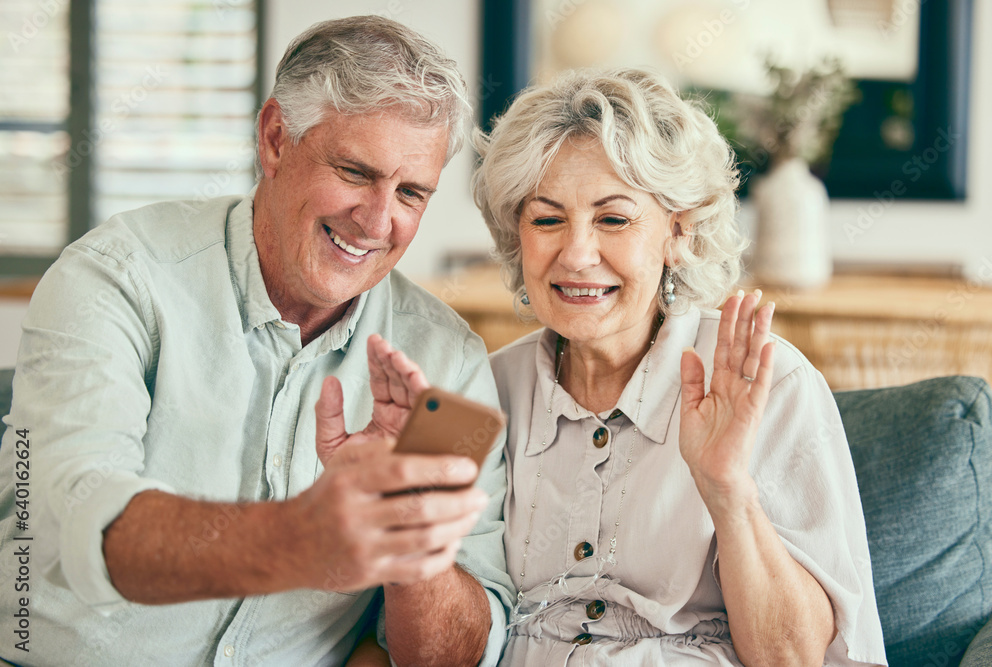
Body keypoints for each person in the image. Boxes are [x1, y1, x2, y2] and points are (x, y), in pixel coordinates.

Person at [0, 16, 513, 666]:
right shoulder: (116, 276)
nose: (380, 221)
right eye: (356, 172)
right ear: (275, 138)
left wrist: (410, 533)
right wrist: (306, 536)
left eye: (411, 192)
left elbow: (461, 654)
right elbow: (72, 523)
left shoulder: (451, 364)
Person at [469, 68, 888, 665]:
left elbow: (794, 657)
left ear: (678, 232)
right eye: (546, 218)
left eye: (613, 219)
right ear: (516, 234)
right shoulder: (477, 390)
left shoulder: (771, 383)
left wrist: (728, 492)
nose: (577, 253)